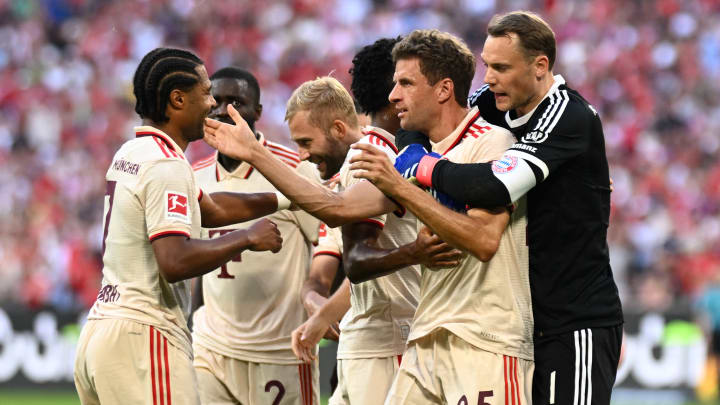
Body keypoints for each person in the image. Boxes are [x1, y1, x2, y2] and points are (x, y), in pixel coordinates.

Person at [354, 11, 624, 405]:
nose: (488, 78)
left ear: (540, 66)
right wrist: (412, 150)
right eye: (486, 66)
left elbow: (493, 186)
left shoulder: (568, 116)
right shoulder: (496, 101)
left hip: (576, 320)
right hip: (532, 316)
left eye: (501, 67)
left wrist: (421, 167)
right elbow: (422, 118)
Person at [205, 75, 461, 405]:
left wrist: (255, 153)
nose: (302, 155)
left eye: (307, 142)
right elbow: (324, 265)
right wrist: (320, 310)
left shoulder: (366, 160)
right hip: (365, 338)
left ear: (338, 129)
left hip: (388, 340)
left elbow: (355, 262)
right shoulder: (343, 174)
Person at [73, 48, 284, 405]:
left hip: (101, 334)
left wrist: (286, 196)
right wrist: (247, 237)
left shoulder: (133, 152)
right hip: (144, 336)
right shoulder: (165, 165)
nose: (213, 104)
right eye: (206, 93)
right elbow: (174, 261)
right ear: (177, 99)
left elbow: (213, 209)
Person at [333, 29, 532, 404]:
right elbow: (336, 208)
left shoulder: (492, 143)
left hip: (484, 340)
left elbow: (484, 241)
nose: (393, 96)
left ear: (443, 90)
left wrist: (401, 185)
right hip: (426, 337)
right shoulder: (414, 154)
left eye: (405, 83)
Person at [190, 67, 322, 405]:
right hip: (211, 348)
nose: (224, 110)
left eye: (236, 102)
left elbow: (329, 247)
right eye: (216, 101)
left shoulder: (295, 169)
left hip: (280, 351)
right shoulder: (192, 176)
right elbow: (193, 259)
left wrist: (321, 307)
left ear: (257, 113)